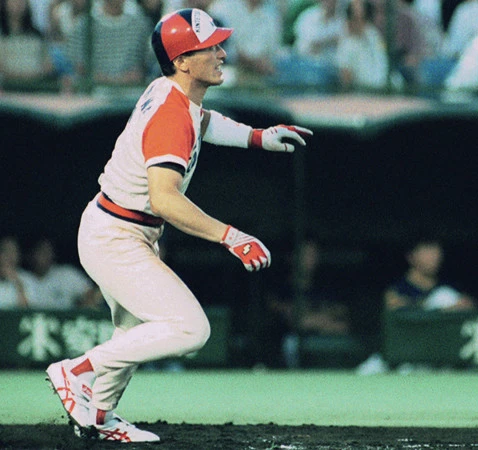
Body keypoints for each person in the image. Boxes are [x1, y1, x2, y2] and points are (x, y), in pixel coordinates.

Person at [45, 7, 312, 443]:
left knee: (133, 332)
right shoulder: (170, 113)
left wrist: (257, 136)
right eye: (211, 47)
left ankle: (99, 418)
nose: (222, 53)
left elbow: (202, 121)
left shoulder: (171, 92)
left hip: (116, 227)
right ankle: (76, 371)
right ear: (183, 60)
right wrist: (231, 236)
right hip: (116, 234)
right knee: (190, 328)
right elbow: (164, 199)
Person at [356, 236, 475, 375]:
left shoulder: (449, 288)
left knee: (444, 295)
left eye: (436, 251)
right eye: (427, 251)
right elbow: (395, 308)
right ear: (411, 257)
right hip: (404, 358)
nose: (434, 257)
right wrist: (438, 310)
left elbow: (469, 307)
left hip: (438, 359)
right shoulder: (397, 290)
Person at [263, 237, 351, 368]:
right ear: (292, 257)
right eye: (306, 254)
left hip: (325, 344)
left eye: (314, 254)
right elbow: (296, 321)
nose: (311, 259)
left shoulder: (326, 289)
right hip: (287, 348)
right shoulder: (280, 291)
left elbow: (343, 324)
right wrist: (322, 321)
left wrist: (316, 322)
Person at [66, 0, 154, 88]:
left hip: (133, 89)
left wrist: (134, 75)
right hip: (94, 90)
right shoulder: (85, 25)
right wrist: (96, 76)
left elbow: (147, 61)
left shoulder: (140, 24)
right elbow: (77, 62)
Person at [25, 236, 102, 310]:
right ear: (30, 254)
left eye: (47, 251)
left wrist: (84, 305)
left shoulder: (66, 274)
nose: (45, 256)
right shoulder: (23, 278)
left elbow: (91, 295)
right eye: (40, 251)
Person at [0, 0, 55, 91]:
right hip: (6, 89)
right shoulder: (2, 36)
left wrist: (38, 73)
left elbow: (48, 64)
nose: (17, 4)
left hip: (36, 88)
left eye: (21, 1)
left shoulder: (37, 36)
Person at [336, 0, 389, 91]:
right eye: (356, 18)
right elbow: (346, 80)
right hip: (360, 93)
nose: (361, 22)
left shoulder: (373, 34)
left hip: (382, 91)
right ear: (349, 20)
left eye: (363, 18)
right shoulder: (345, 44)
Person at [0, 235, 37, 310]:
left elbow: (29, 311)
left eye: (13, 252)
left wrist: (18, 284)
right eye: (5, 251)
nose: (9, 256)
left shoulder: (29, 279)